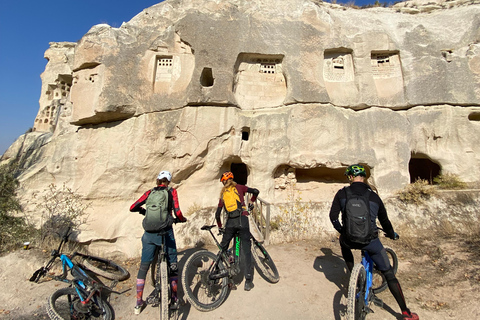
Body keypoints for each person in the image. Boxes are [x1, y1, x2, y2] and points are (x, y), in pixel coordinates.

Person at [329, 164, 419, 320]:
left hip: (349, 239)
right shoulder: (373, 196)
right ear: (364, 177)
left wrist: (342, 231)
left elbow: (333, 217)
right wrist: (391, 234)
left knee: (344, 245)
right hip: (370, 241)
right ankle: (405, 312)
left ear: (350, 177)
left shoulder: (342, 194)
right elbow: (384, 221)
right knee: (389, 274)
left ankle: (353, 278)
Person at [130, 170, 187, 314]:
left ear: (157, 180)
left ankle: (138, 303)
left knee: (144, 266)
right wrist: (181, 219)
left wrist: (145, 212)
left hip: (149, 234)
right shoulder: (171, 191)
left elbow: (133, 207)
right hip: (165, 232)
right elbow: (177, 211)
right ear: (168, 181)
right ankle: (174, 298)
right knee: (173, 263)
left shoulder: (149, 193)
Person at [215, 171, 259, 291]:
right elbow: (255, 191)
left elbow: (217, 214)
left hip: (230, 223)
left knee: (223, 248)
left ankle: (215, 272)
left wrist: (220, 227)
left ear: (224, 182)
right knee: (247, 250)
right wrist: (251, 202)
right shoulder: (239, 187)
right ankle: (248, 281)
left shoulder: (223, 194)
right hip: (242, 220)